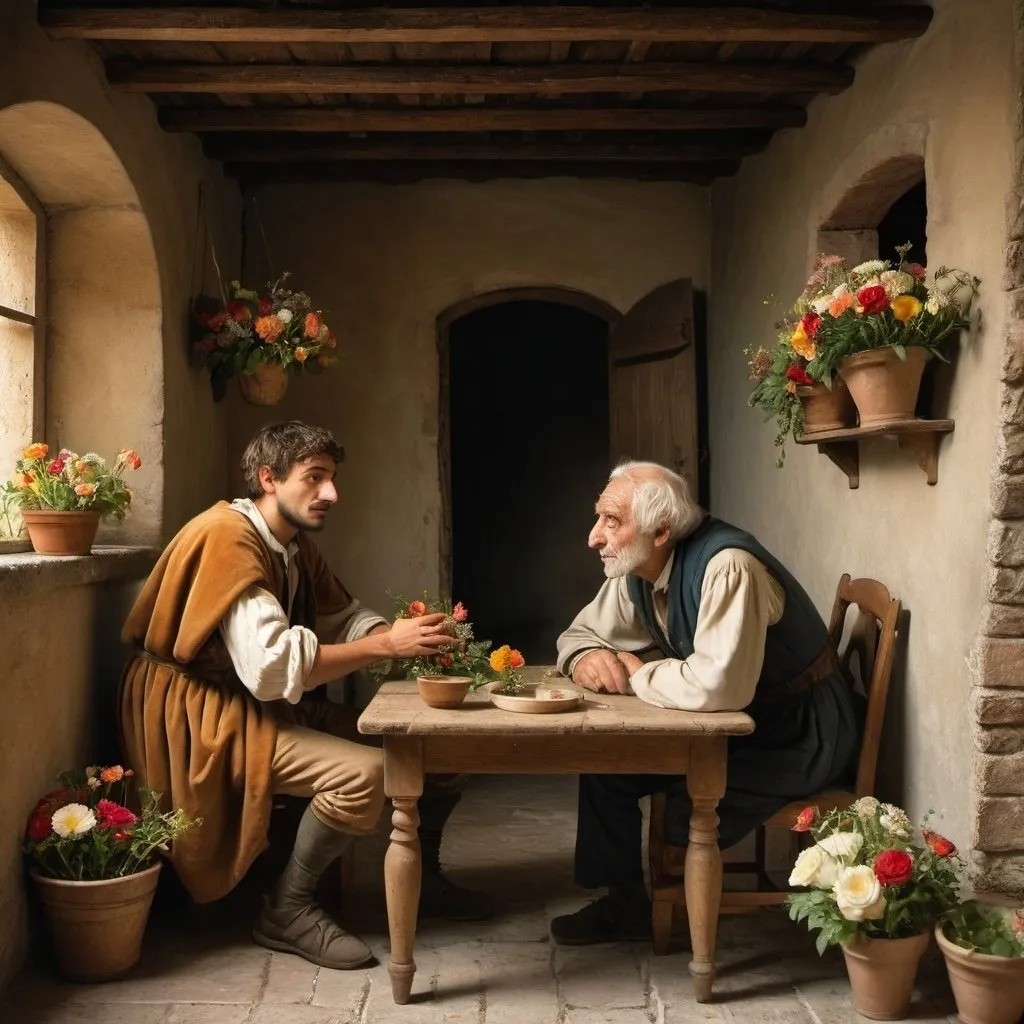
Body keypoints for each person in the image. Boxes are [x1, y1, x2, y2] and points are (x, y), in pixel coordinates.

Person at [118, 421, 489, 971]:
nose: (331, 494)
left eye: (332, 479)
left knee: (432, 746)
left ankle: (424, 877)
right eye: (314, 478)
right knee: (362, 774)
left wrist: (392, 634)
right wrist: (386, 646)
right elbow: (270, 669)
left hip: (252, 698)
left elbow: (344, 615)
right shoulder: (230, 537)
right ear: (268, 478)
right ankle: (287, 909)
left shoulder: (291, 545)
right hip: (199, 711)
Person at [549, 460, 862, 945]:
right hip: (740, 724)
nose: (594, 536)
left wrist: (639, 675)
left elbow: (719, 687)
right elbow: (579, 633)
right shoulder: (637, 566)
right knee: (606, 766)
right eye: (600, 518)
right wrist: (587, 656)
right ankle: (625, 905)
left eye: (612, 521)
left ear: (660, 531)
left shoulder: (727, 565)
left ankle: (690, 918)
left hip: (799, 732)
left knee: (685, 806)